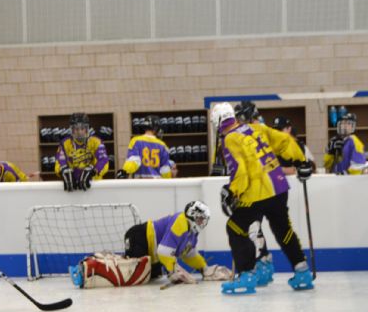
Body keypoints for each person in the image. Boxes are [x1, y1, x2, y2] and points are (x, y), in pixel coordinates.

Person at [212, 102, 314, 295]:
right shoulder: (256, 127)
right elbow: (284, 141)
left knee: (235, 228)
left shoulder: (230, 139)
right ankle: (302, 271)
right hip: (279, 186)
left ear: (217, 122)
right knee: (282, 228)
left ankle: (247, 275)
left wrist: (232, 191)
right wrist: (302, 161)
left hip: (257, 193)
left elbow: (240, 171)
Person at [69, 201, 231, 288]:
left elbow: (189, 254)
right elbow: (164, 252)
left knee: (148, 276)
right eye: (201, 219)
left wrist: (204, 268)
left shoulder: (192, 232)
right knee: (131, 273)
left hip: (148, 246)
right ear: (194, 217)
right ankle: (87, 268)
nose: (203, 222)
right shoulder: (180, 223)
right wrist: (174, 269)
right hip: (139, 237)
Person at [55, 113, 109, 191]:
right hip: (72, 185)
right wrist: (63, 171)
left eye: (82, 129)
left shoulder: (96, 141)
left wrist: (93, 171)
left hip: (93, 185)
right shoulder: (65, 143)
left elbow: (103, 160)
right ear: (72, 130)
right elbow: (59, 161)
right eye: (76, 129)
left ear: (87, 129)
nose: (79, 132)